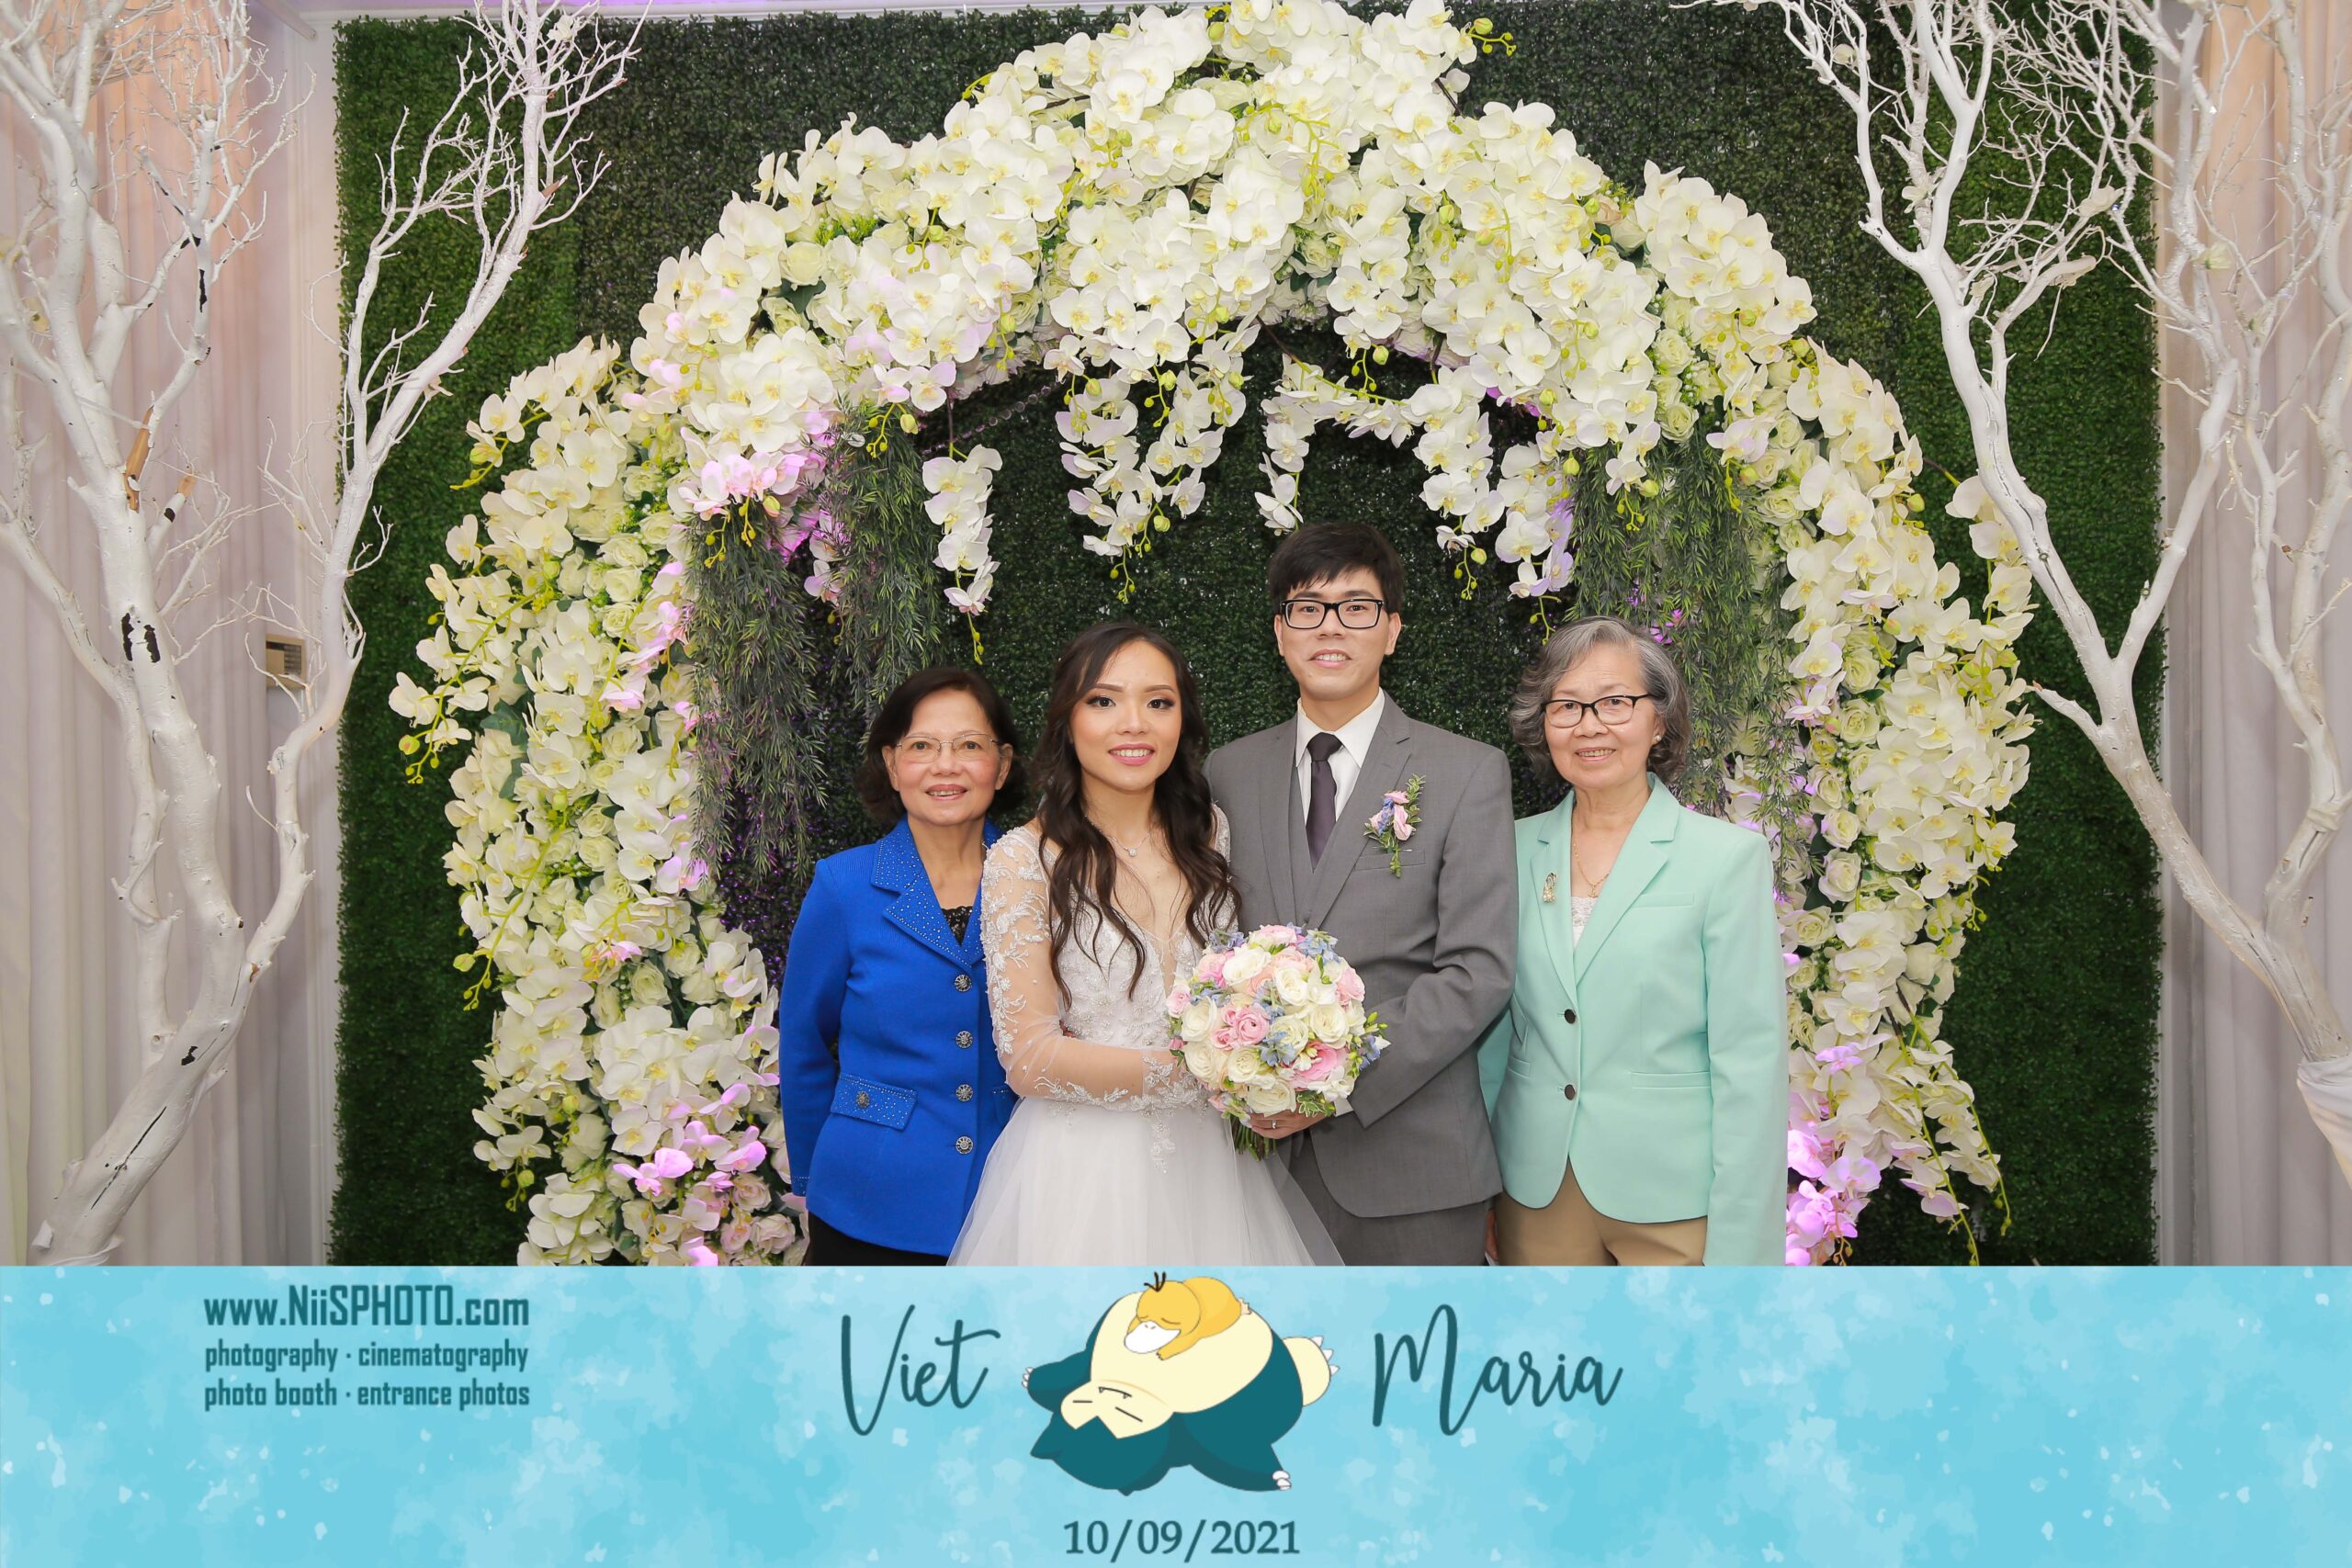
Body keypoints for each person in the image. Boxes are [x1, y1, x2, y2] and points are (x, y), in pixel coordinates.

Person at [948, 623, 1338, 1266]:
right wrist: (1209, 1071)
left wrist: (1269, 1052)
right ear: (1067, 720)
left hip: (1210, 1168)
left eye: (1159, 701)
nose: (1134, 723)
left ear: (1183, 720)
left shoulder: (1210, 835)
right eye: (1103, 701)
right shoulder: (1024, 859)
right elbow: (1029, 1058)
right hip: (1083, 1172)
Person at [1203, 523, 1517, 1266]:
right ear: (1280, 633)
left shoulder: (1466, 771)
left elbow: (1478, 971)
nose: (1331, 627)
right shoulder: (1227, 773)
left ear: (1393, 630)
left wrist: (1325, 1083)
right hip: (1257, 1171)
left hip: (1413, 1164)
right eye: (1307, 608)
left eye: (1357, 607)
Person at [1476, 615, 1787, 1266]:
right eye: (1567, 705)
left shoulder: (1726, 859)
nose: (1589, 725)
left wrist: (1744, 1246)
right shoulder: (1506, 849)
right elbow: (1488, 1036)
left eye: (1615, 702)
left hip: (1677, 1197)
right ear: (1544, 724)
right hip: (1535, 1191)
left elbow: (1749, 1064)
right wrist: (1474, 1192)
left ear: (1659, 720)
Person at [775, 668, 1023, 1265]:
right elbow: (803, 1042)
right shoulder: (843, 885)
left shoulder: (1043, 877)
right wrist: (811, 1183)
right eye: (922, 746)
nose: (946, 766)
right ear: (891, 763)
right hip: (869, 1196)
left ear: (1002, 765)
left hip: (1014, 1190)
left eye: (970, 745)